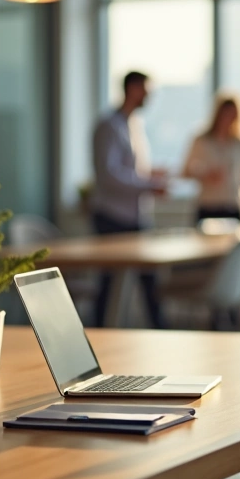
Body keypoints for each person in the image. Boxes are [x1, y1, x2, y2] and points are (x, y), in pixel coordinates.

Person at [89, 70, 169, 329]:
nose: (149, 95)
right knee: (109, 285)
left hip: (135, 216)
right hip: (113, 217)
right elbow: (109, 175)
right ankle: (100, 333)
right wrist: (148, 185)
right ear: (132, 88)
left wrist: (152, 176)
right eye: (145, 89)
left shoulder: (134, 124)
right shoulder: (108, 126)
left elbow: (130, 170)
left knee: (150, 282)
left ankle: (160, 331)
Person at [182, 90, 240, 224]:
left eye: (233, 114)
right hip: (208, 206)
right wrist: (205, 174)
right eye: (225, 113)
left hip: (232, 206)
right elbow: (185, 172)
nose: (228, 118)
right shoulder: (201, 140)